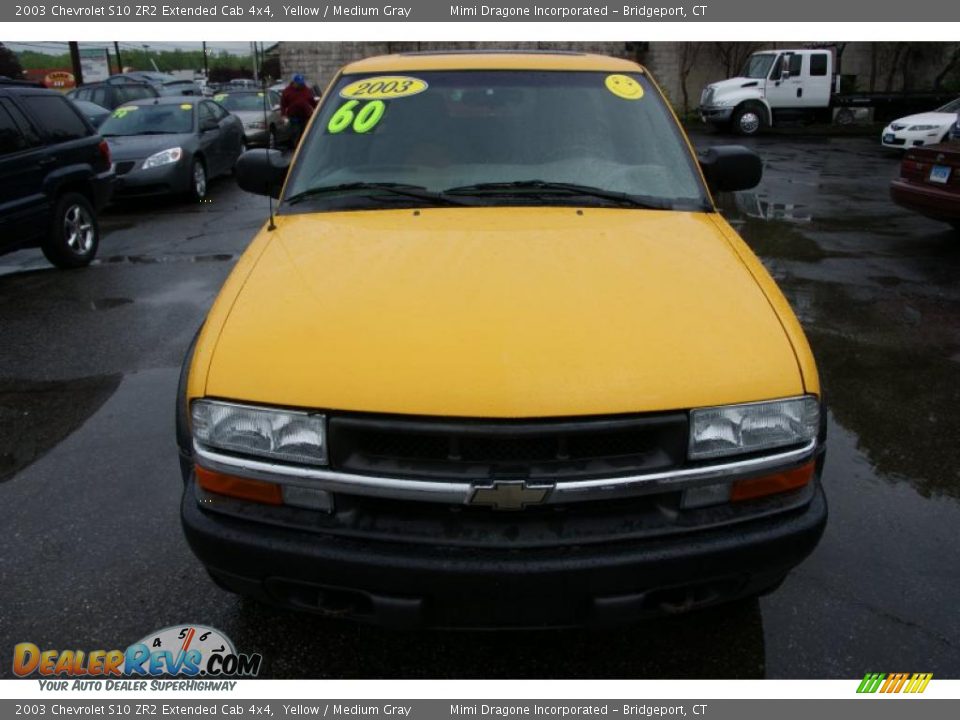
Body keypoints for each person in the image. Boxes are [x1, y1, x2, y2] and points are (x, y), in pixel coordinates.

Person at [280, 74, 318, 145]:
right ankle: (296, 148)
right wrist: (283, 115)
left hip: (306, 117)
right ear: (294, 83)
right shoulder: (287, 91)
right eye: (299, 83)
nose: (301, 85)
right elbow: (283, 105)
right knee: (296, 135)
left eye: (302, 83)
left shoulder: (307, 90)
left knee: (306, 135)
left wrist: (317, 110)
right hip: (294, 119)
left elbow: (313, 102)